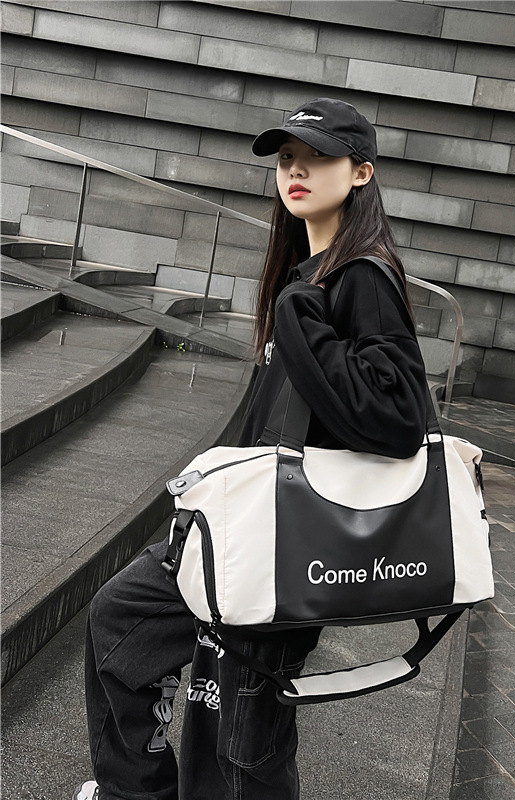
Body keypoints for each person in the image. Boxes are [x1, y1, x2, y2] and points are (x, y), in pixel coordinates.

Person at [75, 97, 429, 800]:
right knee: (121, 620)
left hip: (290, 551)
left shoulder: (361, 276)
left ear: (361, 172)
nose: (296, 171)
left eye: (318, 158)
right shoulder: (307, 271)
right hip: (243, 534)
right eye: (287, 158)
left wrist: (303, 316)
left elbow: (397, 417)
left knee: (240, 739)